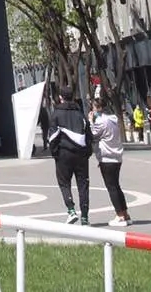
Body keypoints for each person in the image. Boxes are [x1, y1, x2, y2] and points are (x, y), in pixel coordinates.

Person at [47, 89, 91, 225]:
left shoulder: (56, 114)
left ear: (61, 97)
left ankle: (71, 210)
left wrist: (55, 153)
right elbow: (89, 135)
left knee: (64, 183)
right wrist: (87, 152)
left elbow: (52, 137)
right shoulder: (80, 114)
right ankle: (85, 217)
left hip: (63, 153)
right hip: (81, 154)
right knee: (83, 184)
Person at [89, 94, 131, 226]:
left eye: (94, 108)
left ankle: (120, 215)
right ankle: (125, 214)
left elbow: (93, 134)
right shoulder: (114, 119)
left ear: (99, 108)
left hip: (107, 157)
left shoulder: (101, 121)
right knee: (116, 186)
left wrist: (91, 121)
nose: (93, 110)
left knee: (111, 187)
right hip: (117, 156)